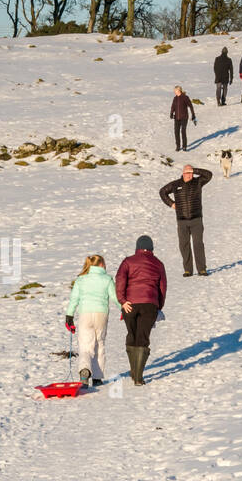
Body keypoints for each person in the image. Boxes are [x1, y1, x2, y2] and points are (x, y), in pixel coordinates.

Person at [115, 235, 167, 387]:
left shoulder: (128, 261)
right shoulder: (158, 264)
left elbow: (120, 281)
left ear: (137, 247)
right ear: (151, 248)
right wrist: (158, 306)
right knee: (143, 337)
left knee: (132, 334)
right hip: (149, 304)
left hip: (130, 304)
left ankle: (133, 370)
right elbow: (162, 287)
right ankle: (138, 376)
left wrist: (122, 301)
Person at [65, 253, 119, 387]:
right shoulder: (107, 279)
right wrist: (123, 309)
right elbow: (115, 297)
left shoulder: (81, 280)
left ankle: (84, 371)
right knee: (99, 344)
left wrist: (69, 317)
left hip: (85, 314)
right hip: (101, 315)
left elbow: (74, 299)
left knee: (85, 346)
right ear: (101, 265)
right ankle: (97, 377)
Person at [159, 163, 213, 277]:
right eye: (187, 173)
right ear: (183, 173)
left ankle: (202, 269)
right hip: (182, 220)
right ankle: (188, 270)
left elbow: (209, 175)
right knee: (184, 245)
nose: (190, 175)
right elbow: (162, 192)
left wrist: (195, 169)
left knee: (198, 244)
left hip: (196, 219)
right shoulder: (175, 185)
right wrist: (171, 204)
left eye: (191, 173)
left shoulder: (198, 182)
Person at [170, 85, 196, 151]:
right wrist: (171, 113)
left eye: (175, 91)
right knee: (176, 132)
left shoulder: (185, 97)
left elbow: (191, 106)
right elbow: (173, 106)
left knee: (183, 131)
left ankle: (184, 146)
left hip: (184, 117)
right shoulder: (175, 98)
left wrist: (193, 114)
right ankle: (178, 146)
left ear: (178, 90)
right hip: (176, 118)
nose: (174, 92)